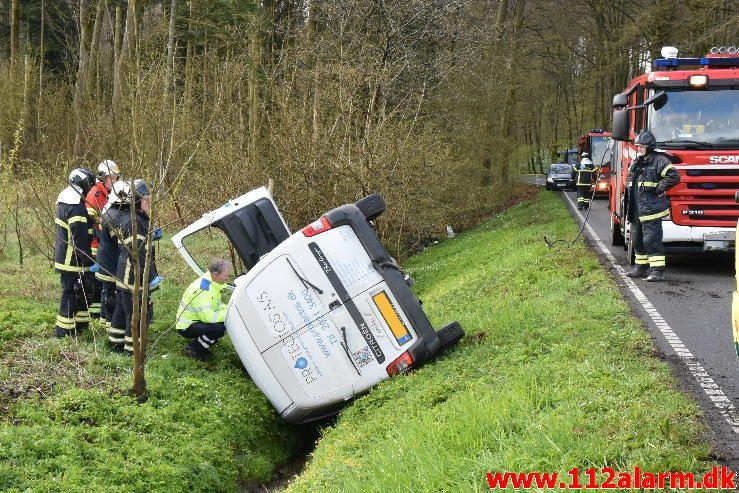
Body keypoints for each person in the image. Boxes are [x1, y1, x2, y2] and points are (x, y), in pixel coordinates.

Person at [626, 131, 680, 282]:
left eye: (642, 146)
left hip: (651, 209)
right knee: (637, 239)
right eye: (638, 146)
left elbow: (674, 176)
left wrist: (659, 188)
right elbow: (631, 178)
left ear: (650, 147)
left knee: (651, 240)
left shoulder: (660, 160)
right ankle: (640, 268)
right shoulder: (637, 161)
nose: (639, 148)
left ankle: (657, 271)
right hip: (636, 208)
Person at [116, 180, 160, 355]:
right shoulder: (135, 222)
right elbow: (139, 256)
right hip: (133, 279)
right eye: (146, 199)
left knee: (129, 316)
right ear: (136, 200)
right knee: (136, 317)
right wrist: (149, 279)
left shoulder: (137, 218)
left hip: (129, 276)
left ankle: (125, 348)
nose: (149, 203)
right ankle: (133, 352)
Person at [54, 168, 96, 337]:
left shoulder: (65, 202)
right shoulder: (76, 207)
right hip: (73, 260)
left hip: (65, 257)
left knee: (80, 291)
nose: (90, 188)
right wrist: (88, 261)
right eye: (89, 184)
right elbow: (79, 239)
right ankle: (64, 331)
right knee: (71, 292)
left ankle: (79, 326)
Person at [176, 258, 233, 360]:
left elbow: (217, 305)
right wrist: (229, 315)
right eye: (225, 275)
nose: (227, 278)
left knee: (222, 324)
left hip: (196, 320)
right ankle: (193, 348)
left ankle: (201, 345)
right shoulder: (203, 290)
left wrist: (230, 309)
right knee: (219, 329)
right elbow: (209, 318)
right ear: (215, 274)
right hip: (186, 326)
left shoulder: (211, 284)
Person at [97, 180, 130, 351]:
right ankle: (110, 325)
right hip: (111, 263)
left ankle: (109, 324)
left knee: (108, 292)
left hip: (108, 260)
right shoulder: (114, 215)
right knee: (111, 294)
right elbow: (122, 243)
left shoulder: (111, 211)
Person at [86, 160, 121, 320]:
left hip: (107, 245)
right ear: (102, 178)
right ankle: (96, 313)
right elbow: (93, 222)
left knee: (104, 282)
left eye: (116, 177)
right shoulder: (95, 194)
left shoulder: (112, 194)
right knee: (98, 281)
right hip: (95, 244)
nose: (114, 181)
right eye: (111, 178)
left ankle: (100, 312)